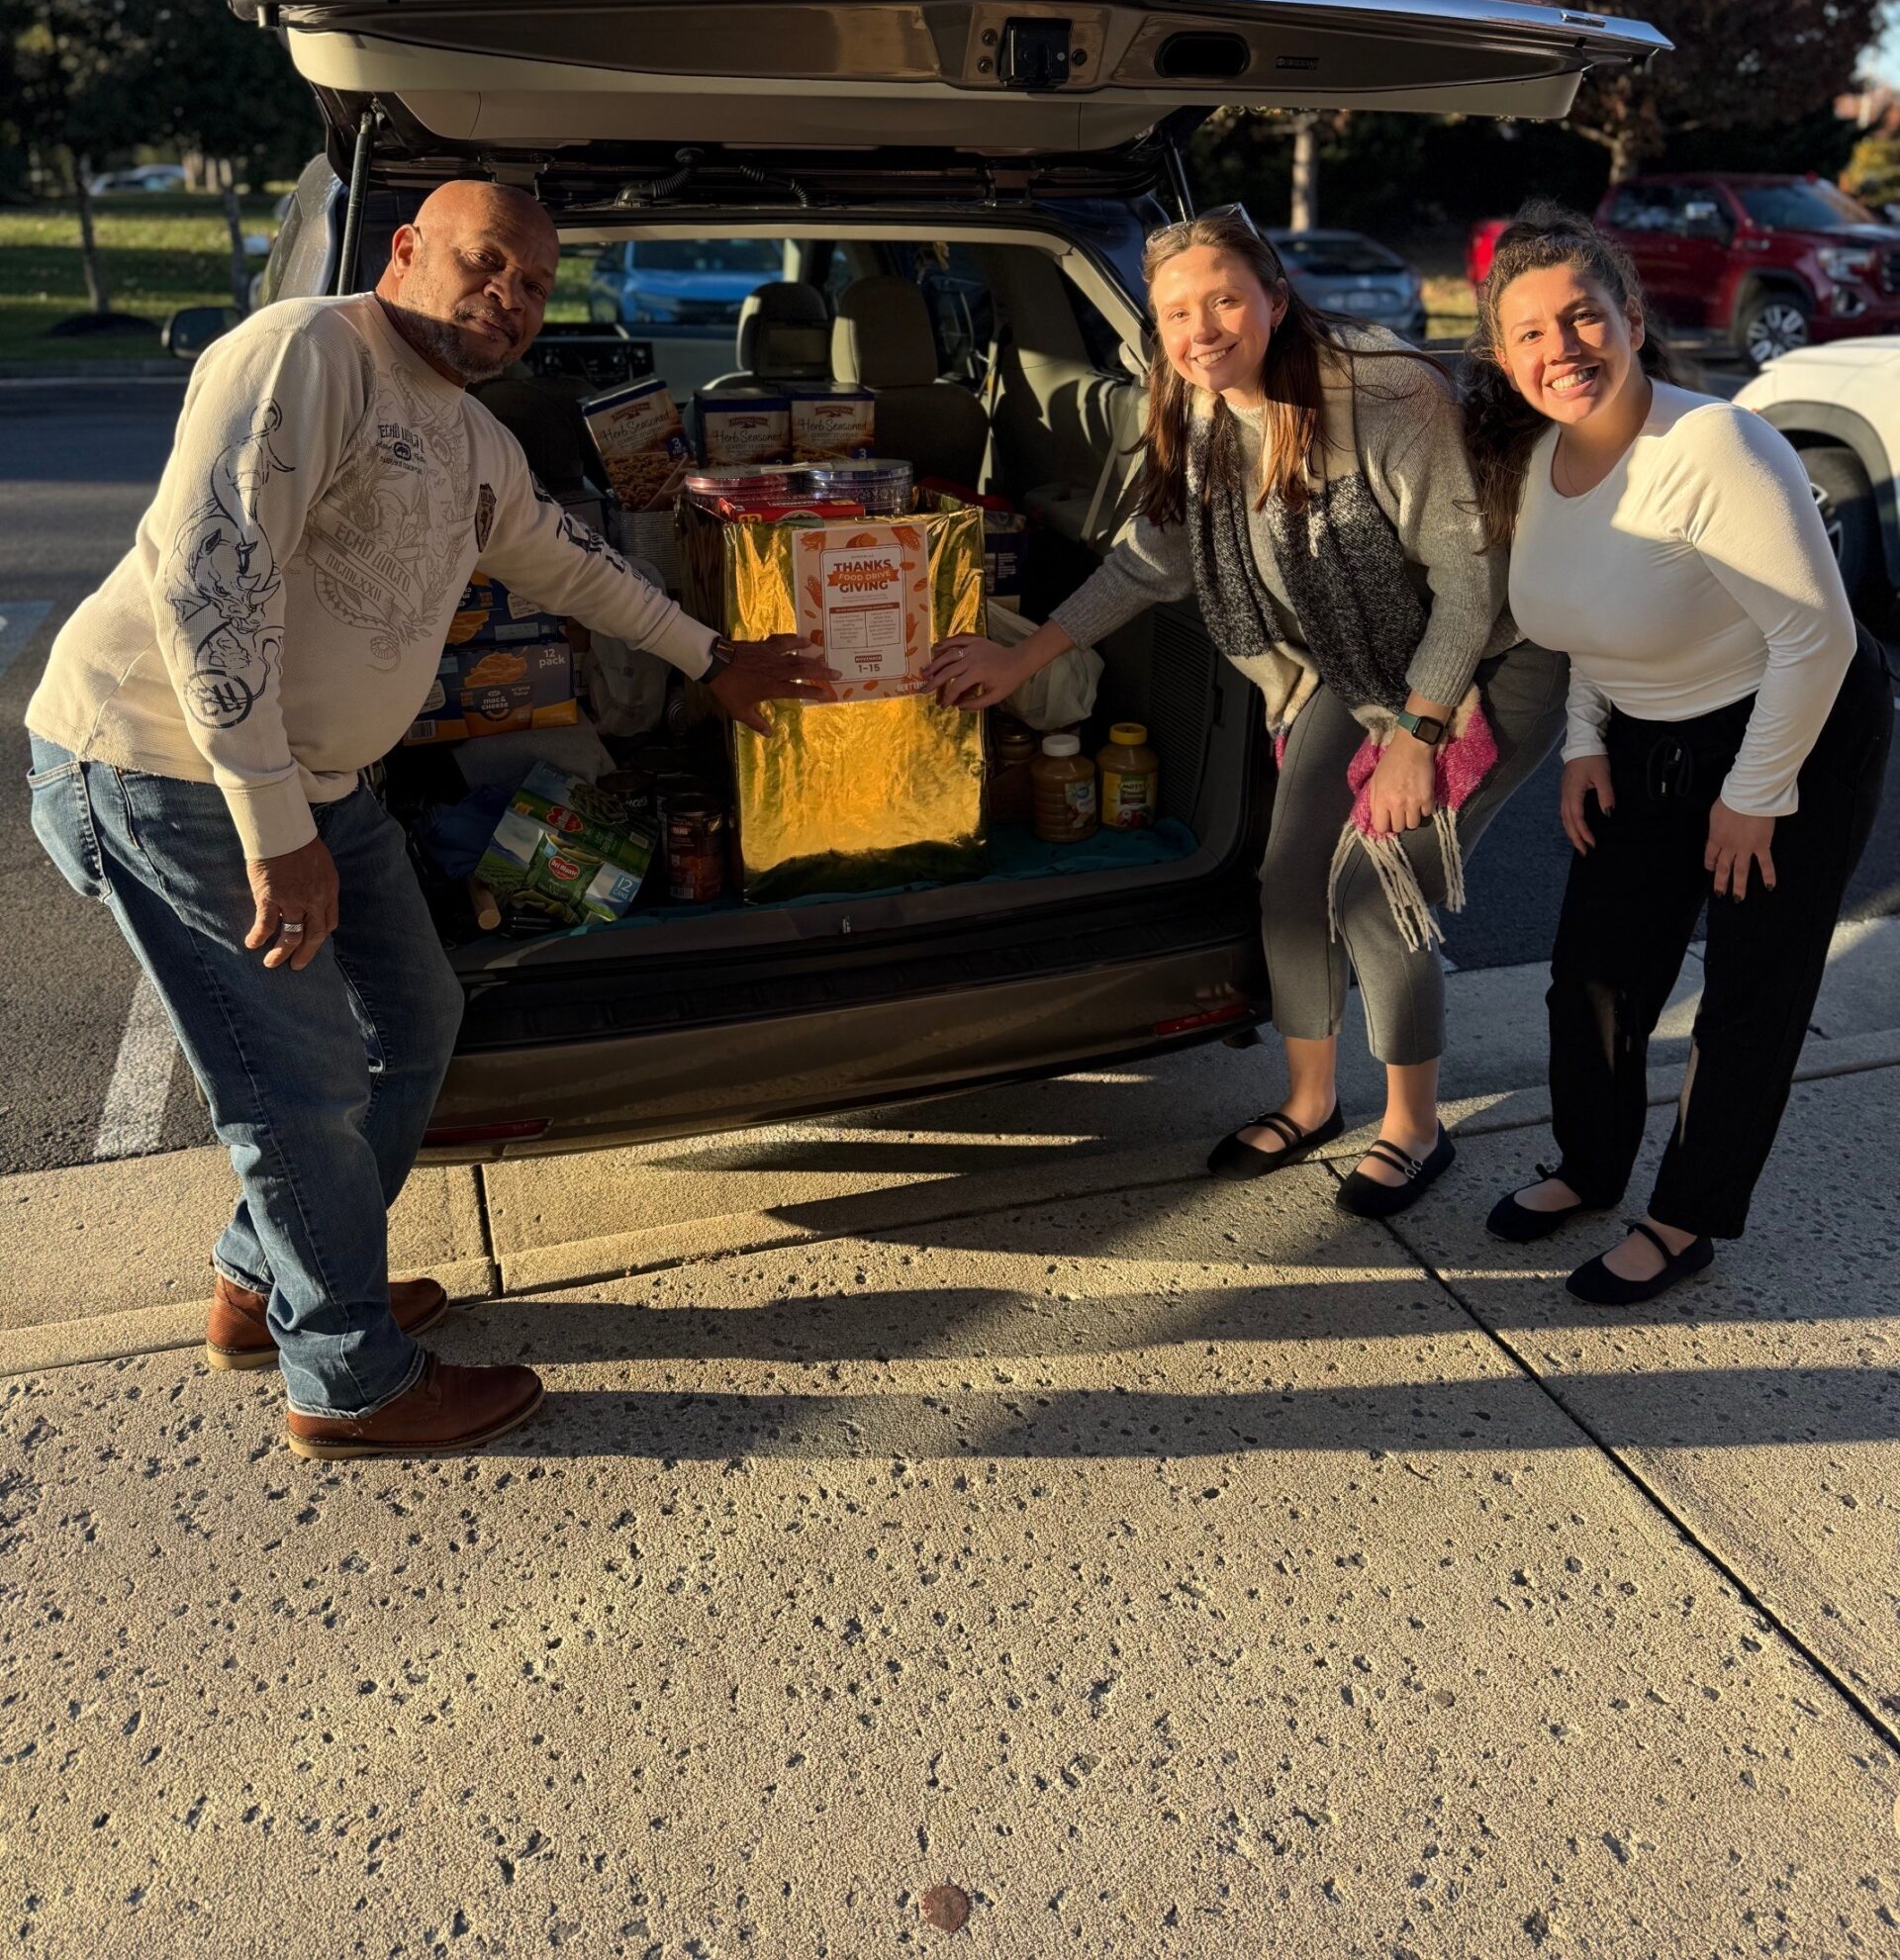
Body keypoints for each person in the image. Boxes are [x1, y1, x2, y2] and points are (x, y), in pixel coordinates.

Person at [27, 181, 829, 1456]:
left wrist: (709, 655)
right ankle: (348, 1378)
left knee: (415, 1016)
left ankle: (273, 1281)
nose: (509, 300)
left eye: (533, 287)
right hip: (168, 766)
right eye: (485, 263)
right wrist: (274, 829)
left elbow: (563, 557)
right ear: (406, 251)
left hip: (313, 783)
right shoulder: (308, 353)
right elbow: (206, 582)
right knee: (295, 1082)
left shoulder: (468, 434)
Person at [924, 205, 1568, 1211]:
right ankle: (1311, 1100)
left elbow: (1470, 582)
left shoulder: (1384, 393)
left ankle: (1414, 1126)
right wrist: (1025, 658)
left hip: (1485, 661)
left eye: (1224, 300)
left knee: (1380, 886)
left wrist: (1417, 738)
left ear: (1275, 296)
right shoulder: (1200, 408)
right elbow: (1152, 559)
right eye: (1177, 313)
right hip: (1357, 662)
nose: (1202, 330)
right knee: (1289, 877)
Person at [1466, 201, 1891, 1304]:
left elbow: (1818, 636)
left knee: (1750, 989)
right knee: (1594, 974)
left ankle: (1685, 1217)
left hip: (1797, 725)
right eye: (1530, 331)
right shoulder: (1538, 463)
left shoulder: (1713, 444)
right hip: (1647, 733)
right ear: (1504, 358)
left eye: (1583, 316)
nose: (1563, 347)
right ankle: (1591, 1166)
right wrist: (1583, 742)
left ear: (1633, 319)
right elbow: (1593, 623)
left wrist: (1757, 793)